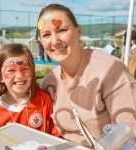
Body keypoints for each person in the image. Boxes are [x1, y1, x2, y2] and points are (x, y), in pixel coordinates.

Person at [37, 4, 136, 149]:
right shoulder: (49, 82)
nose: (54, 41)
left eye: (62, 30)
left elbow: (130, 134)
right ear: (41, 41)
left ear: (78, 31)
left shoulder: (111, 70)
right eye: (46, 35)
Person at [0, 43, 60, 138]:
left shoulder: (44, 100)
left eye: (25, 69)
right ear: (0, 77)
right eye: (11, 70)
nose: (20, 75)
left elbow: (56, 137)